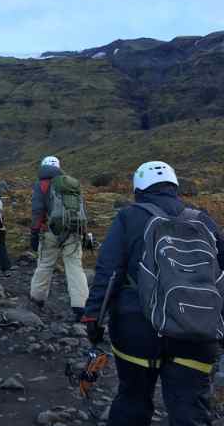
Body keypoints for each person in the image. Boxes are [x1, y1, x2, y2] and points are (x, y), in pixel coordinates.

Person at [82, 161, 224, 426]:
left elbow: (108, 270)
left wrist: (93, 317)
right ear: (174, 187)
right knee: (190, 409)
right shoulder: (204, 219)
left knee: (132, 400)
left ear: (138, 189)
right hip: (197, 330)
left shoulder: (128, 217)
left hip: (136, 329)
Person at [29, 156, 89, 321]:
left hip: (50, 232)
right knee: (75, 267)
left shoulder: (41, 184)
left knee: (45, 264)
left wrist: (34, 232)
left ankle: (37, 299)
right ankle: (81, 307)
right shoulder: (71, 183)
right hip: (74, 231)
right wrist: (84, 232)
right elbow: (82, 208)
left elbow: (37, 210)